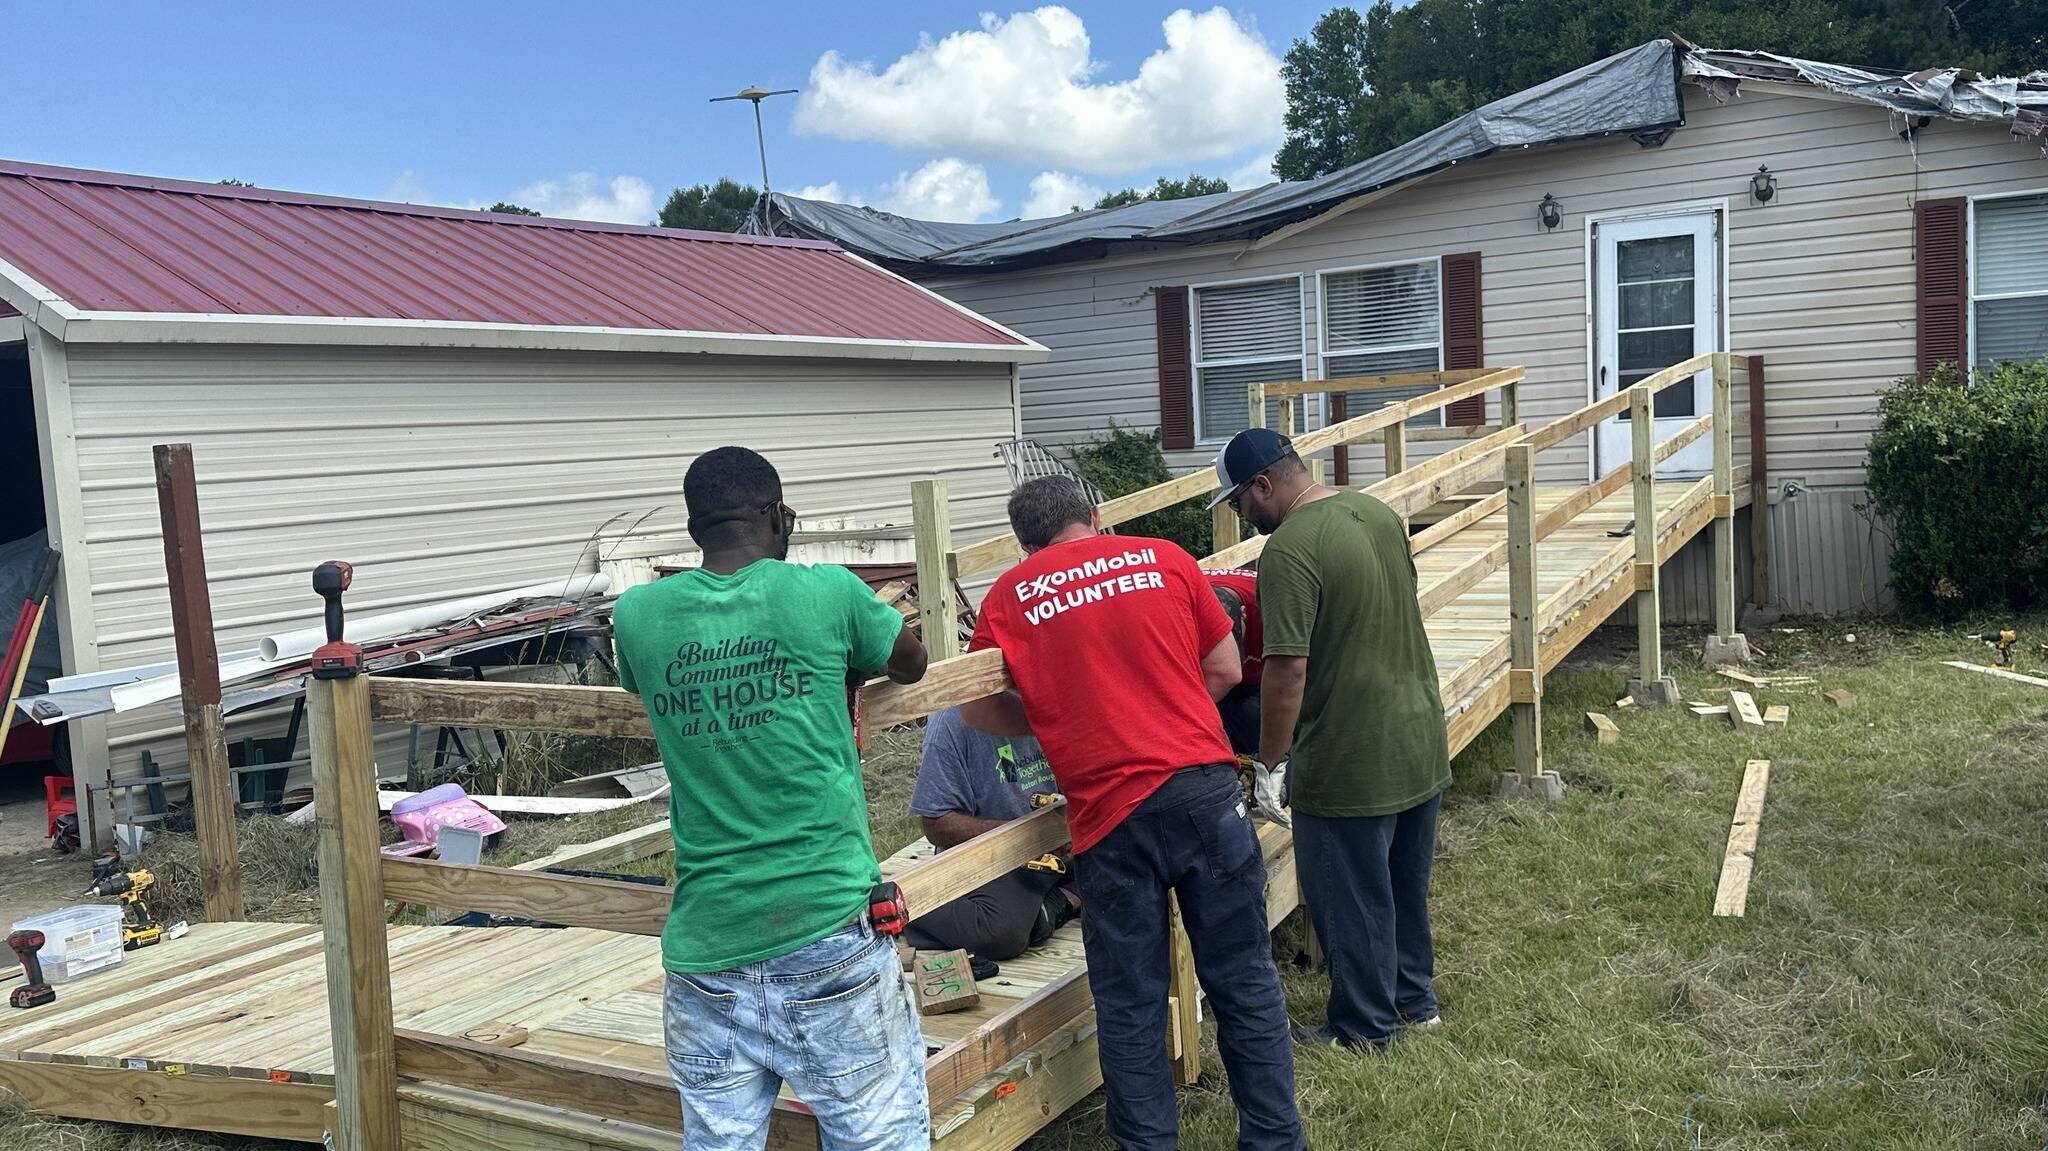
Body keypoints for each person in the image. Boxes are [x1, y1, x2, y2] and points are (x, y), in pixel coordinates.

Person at [962, 476, 1306, 1151]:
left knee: (1130, 1002)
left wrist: (1065, 713)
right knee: (1243, 978)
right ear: (1093, 516)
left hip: (1108, 818)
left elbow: (974, 707)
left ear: (1025, 543)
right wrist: (1159, 703)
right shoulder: (1165, 558)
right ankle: (1274, 1138)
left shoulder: (1012, 594)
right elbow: (1228, 667)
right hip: (1203, 793)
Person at [611, 445, 933, 1151]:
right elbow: (913, 663)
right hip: (824, 928)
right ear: (776, 515)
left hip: (705, 948)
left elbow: (638, 682)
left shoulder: (638, 614)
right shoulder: (827, 593)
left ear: (697, 528)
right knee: (877, 1138)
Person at [1215, 427, 1452, 1052]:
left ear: (1264, 483)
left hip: (1352, 751)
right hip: (1418, 729)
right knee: (1404, 883)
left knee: (1349, 894)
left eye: (1239, 502)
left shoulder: (1289, 549)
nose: (1241, 517)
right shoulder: (1374, 511)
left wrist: (1269, 764)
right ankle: (1413, 1001)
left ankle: (1364, 1026)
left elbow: (1287, 668)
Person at [902, 707, 1079, 961]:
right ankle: (908, 904)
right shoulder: (952, 721)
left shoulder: (1049, 696)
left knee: (1129, 858)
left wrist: (1072, 824)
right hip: (994, 860)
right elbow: (937, 824)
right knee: (1000, 933)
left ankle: (1052, 907)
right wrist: (1023, 837)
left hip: (1054, 851)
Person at [1205, 568, 1264, 756]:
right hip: (1214, 680)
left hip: (1265, 677)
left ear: (1243, 613)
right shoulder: (1183, 605)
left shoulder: (1268, 607)